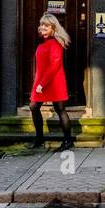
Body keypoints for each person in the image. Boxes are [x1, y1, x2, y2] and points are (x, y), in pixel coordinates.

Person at [30, 13, 73, 151]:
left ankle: (67, 141)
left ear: (53, 28)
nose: (42, 27)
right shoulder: (45, 42)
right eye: (42, 25)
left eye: (46, 26)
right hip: (42, 81)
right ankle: (39, 139)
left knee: (60, 109)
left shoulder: (55, 43)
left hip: (54, 81)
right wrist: (39, 83)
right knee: (34, 106)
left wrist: (42, 84)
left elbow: (54, 65)